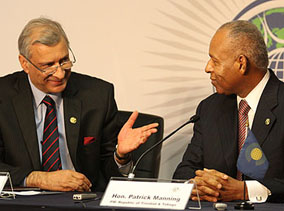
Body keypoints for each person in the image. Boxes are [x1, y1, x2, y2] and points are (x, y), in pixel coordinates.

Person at [0, 17, 158, 192]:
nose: (59, 74)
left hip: (80, 200)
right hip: (21, 202)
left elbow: (107, 173)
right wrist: (37, 178)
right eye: (48, 66)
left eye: (64, 61)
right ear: (25, 64)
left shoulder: (97, 95)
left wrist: (120, 156)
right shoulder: (3, 97)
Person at [173, 20, 284, 203]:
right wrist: (197, 184)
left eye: (215, 61)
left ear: (241, 64)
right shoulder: (209, 108)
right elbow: (185, 170)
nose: (208, 68)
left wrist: (246, 191)